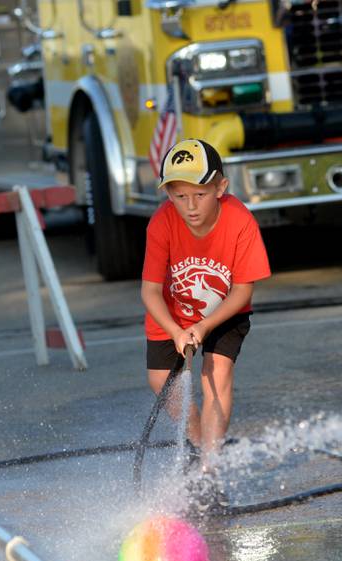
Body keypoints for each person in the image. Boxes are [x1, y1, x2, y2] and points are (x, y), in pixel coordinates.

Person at [141, 138, 271, 510]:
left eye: (199, 194)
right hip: (171, 313)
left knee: (216, 375)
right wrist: (177, 330)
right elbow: (150, 292)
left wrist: (203, 326)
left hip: (225, 311)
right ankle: (198, 447)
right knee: (162, 384)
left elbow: (243, 291)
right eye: (179, 196)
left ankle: (210, 471)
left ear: (220, 188)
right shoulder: (162, 223)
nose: (190, 206)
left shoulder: (240, 221)